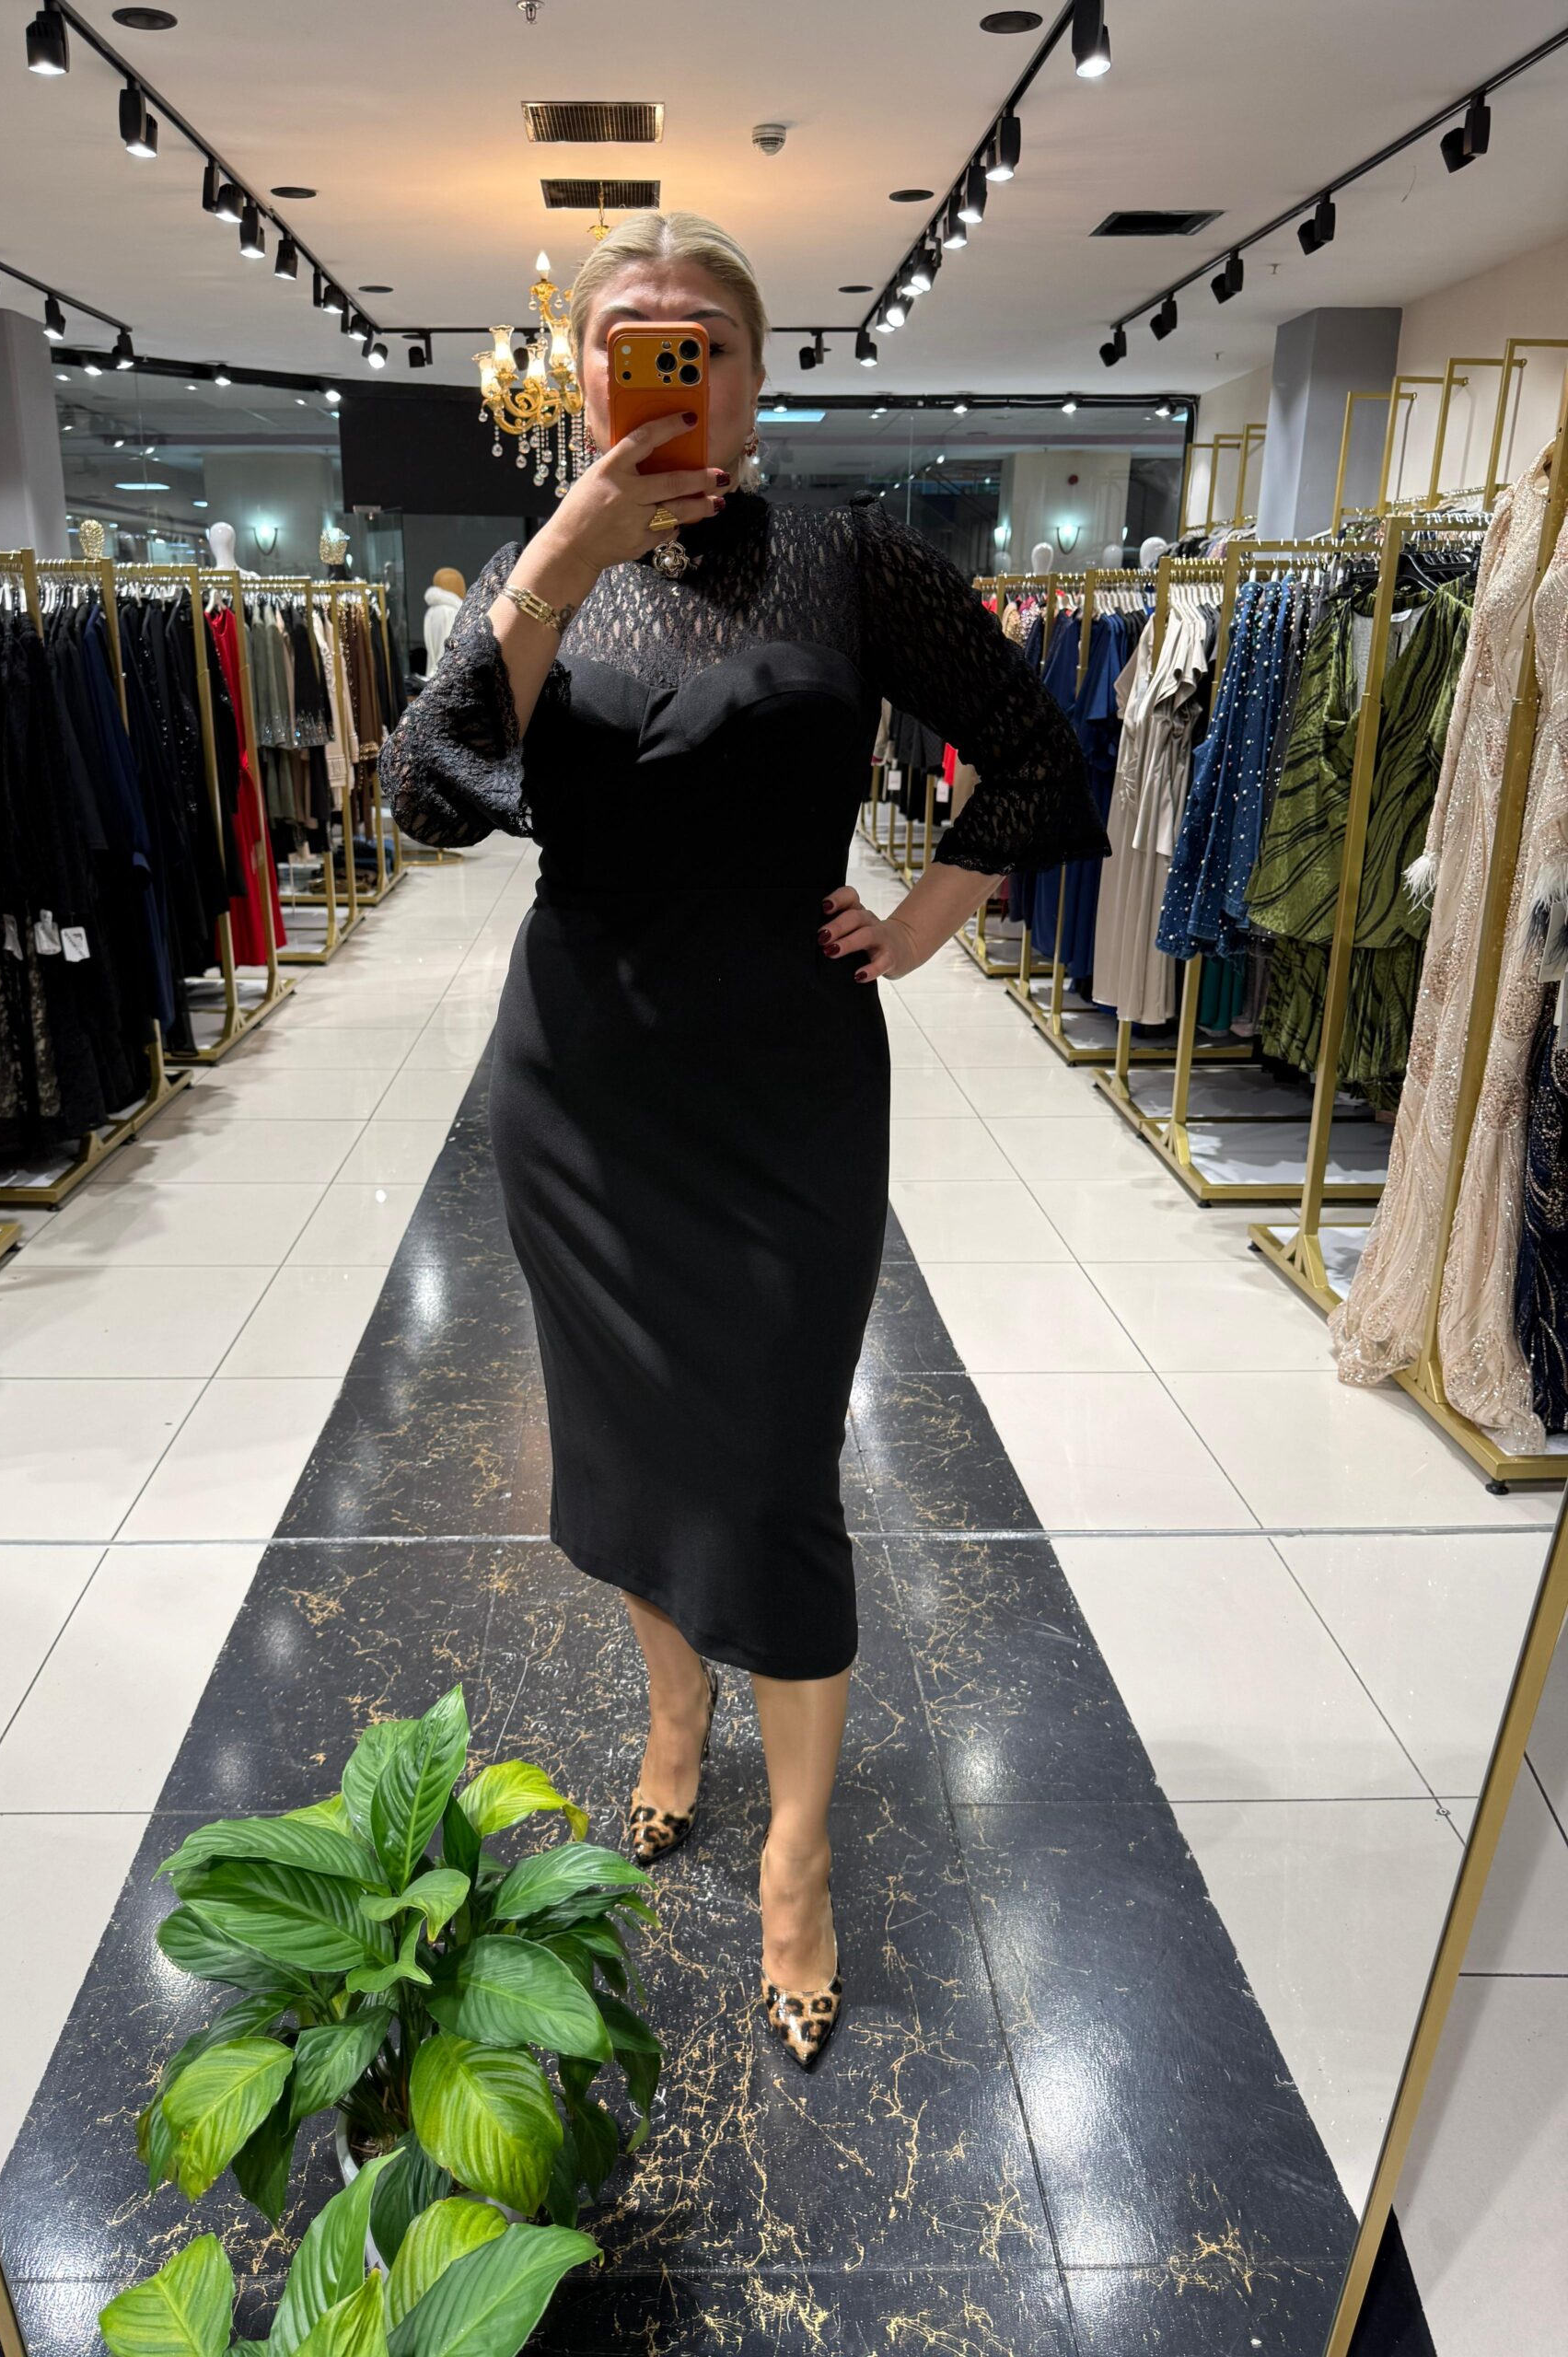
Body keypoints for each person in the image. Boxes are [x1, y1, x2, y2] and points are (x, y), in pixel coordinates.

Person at [385, 210, 1102, 2069]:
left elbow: (1041, 749)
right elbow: (428, 797)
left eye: (699, 338)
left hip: (788, 1091)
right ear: (577, 378)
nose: (667, 366)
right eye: (630, 339)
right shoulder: (534, 572)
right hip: (585, 1094)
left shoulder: (850, 560)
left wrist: (922, 918)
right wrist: (560, 561)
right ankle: (674, 1713)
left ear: (760, 375)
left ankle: (796, 1853)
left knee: (777, 1465)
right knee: (626, 1449)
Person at [423, 566, 466, 673]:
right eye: (459, 583)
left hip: (434, 672)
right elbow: (449, 649)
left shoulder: (432, 611)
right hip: (448, 674)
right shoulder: (450, 612)